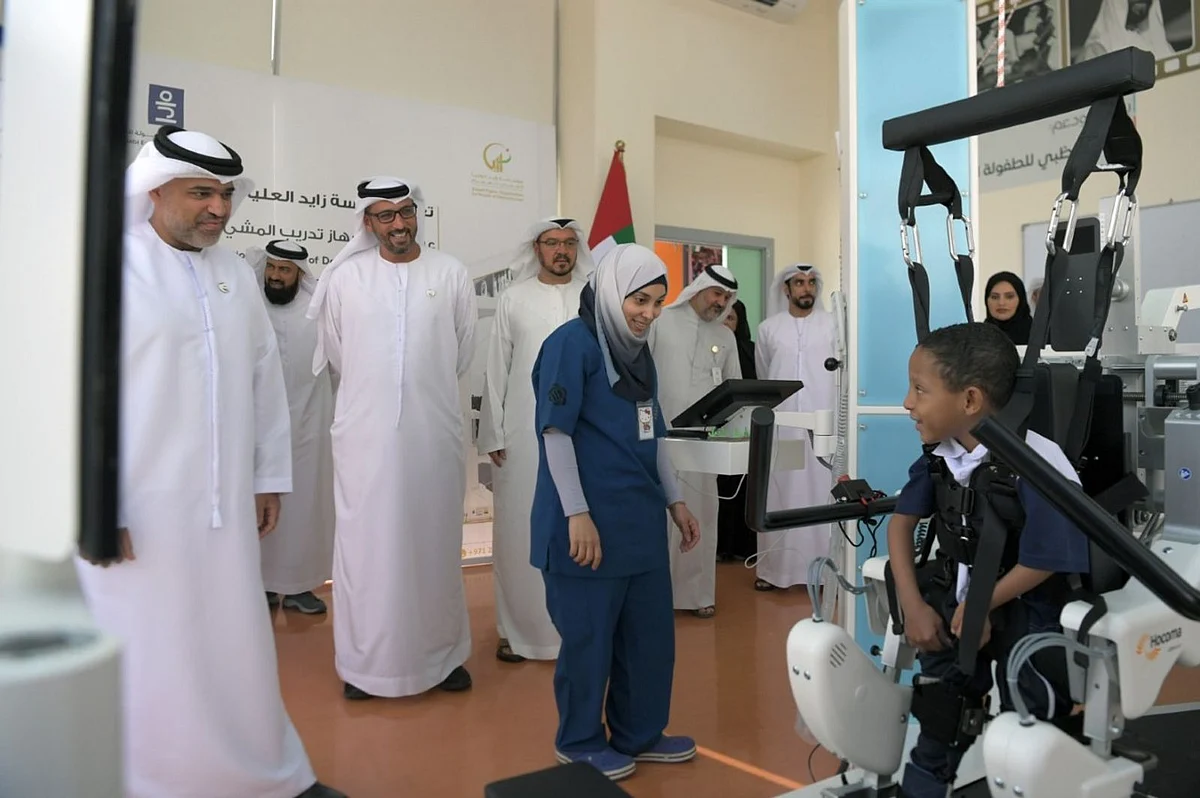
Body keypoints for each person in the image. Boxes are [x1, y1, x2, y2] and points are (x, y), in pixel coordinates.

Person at [74, 126, 343, 798]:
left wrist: (268, 476)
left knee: (233, 643)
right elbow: (74, 395)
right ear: (154, 190)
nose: (218, 208)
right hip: (139, 513)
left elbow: (263, 378)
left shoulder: (232, 274)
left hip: (224, 509)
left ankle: (263, 773)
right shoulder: (108, 268)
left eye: (225, 194)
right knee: (151, 651)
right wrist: (96, 505)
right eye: (201, 193)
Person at [887, 322, 1089, 798]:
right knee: (939, 718)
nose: (907, 403)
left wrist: (981, 606)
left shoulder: (1038, 462)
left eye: (920, 390)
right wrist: (913, 605)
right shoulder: (942, 456)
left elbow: (1045, 560)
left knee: (1028, 734)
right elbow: (900, 525)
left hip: (1026, 608)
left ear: (970, 400)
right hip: (958, 606)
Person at [530, 243, 702, 781]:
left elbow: (654, 433)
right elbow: (555, 433)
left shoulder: (638, 354)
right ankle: (579, 740)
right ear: (611, 292)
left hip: (639, 524)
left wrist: (675, 500)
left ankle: (639, 732)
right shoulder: (571, 345)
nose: (648, 313)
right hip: (588, 526)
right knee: (589, 643)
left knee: (648, 641)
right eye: (638, 300)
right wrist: (577, 513)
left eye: (657, 302)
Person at [307, 176, 477, 699]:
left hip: (433, 436)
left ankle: (442, 658)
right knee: (368, 550)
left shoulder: (450, 273)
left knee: (434, 544)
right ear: (368, 222)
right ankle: (366, 666)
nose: (399, 223)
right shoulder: (346, 278)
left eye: (406, 212)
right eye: (386, 215)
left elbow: (462, 352)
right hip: (365, 439)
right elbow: (339, 355)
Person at [478, 217, 593, 663]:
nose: (561, 250)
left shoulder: (592, 297)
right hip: (524, 433)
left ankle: (576, 632)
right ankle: (518, 630)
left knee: (579, 525)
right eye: (552, 243)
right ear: (537, 249)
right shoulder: (514, 298)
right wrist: (493, 431)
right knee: (519, 526)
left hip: (584, 431)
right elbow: (496, 369)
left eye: (568, 243)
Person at [648, 265, 741, 618]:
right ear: (699, 289)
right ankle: (655, 594)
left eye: (726, 297)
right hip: (660, 438)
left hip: (704, 442)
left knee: (702, 514)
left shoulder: (726, 337)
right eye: (716, 293)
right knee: (658, 516)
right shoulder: (661, 322)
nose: (720, 302)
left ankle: (698, 595)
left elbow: (734, 388)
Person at [248, 239, 335, 614]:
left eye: (284, 270)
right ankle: (261, 584)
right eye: (271, 267)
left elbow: (336, 366)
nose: (275, 276)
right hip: (257, 428)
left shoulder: (317, 313)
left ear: (300, 274)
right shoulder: (250, 306)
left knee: (303, 505)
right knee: (257, 503)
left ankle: (299, 586)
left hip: (308, 425)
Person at [753, 263, 837, 591]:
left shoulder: (832, 325)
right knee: (779, 494)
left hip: (822, 424)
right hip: (782, 426)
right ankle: (775, 572)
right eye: (799, 282)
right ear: (786, 289)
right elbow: (764, 372)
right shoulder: (768, 329)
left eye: (811, 282)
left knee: (820, 494)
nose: (806, 288)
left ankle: (822, 571)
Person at [717, 299, 759, 562]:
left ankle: (744, 547)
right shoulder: (711, 348)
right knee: (720, 487)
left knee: (745, 488)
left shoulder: (751, 351)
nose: (725, 324)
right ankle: (721, 546)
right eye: (722, 318)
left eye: (730, 318)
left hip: (747, 430)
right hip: (718, 429)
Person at [984, 271, 1033, 345]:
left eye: (1009, 297)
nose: (1001, 303)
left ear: (1021, 299)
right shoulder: (977, 337)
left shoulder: (1040, 335)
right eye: (994, 297)